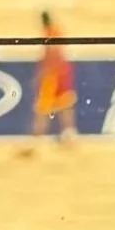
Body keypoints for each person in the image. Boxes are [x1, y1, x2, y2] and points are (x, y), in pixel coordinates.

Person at [28, 11, 75, 149]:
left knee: (43, 108)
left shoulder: (49, 34)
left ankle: (38, 137)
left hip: (52, 75)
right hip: (63, 71)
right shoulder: (57, 31)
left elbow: (51, 55)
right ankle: (69, 133)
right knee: (65, 105)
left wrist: (41, 74)